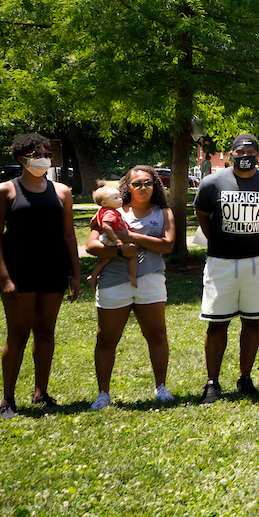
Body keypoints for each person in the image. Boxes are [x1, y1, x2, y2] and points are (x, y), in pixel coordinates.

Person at [0, 133, 81, 418]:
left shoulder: (62, 191)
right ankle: (8, 399)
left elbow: (68, 233)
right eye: (36, 154)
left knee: (45, 332)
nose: (43, 159)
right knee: (18, 333)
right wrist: (4, 277)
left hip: (53, 269)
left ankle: (41, 392)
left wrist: (76, 273)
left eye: (46, 153)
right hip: (19, 271)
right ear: (21, 158)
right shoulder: (5, 191)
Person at [193, 132, 259, 404]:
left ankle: (245, 377)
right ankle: (212, 382)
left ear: (258, 155)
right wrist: (218, 239)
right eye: (240, 152)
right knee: (216, 323)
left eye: (251, 153)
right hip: (221, 262)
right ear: (232, 154)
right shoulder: (212, 182)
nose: (245, 157)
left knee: (252, 321)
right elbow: (203, 215)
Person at [85, 166, 176, 409]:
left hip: (150, 280)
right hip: (114, 281)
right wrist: (118, 251)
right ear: (127, 187)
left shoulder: (163, 212)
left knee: (157, 335)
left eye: (148, 182)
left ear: (155, 185)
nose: (143, 187)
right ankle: (103, 394)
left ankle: (161, 387)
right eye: (137, 183)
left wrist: (133, 237)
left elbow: (167, 246)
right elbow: (92, 246)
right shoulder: (110, 210)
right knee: (106, 338)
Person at [86, 183, 139, 290]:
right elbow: (106, 226)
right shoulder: (110, 212)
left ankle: (93, 276)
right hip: (111, 238)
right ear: (104, 203)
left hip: (107, 238)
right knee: (133, 254)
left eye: (120, 197)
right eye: (115, 198)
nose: (120, 199)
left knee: (105, 259)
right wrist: (116, 239)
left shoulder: (102, 210)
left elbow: (93, 221)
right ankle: (132, 275)